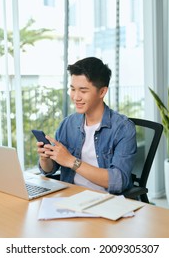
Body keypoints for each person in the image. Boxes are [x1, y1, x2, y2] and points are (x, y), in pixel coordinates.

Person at [37, 57, 137, 194]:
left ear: (102, 92)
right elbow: (50, 169)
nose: (76, 97)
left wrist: (72, 161)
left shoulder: (123, 128)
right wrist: (45, 158)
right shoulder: (68, 124)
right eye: (72, 89)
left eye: (83, 91)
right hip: (70, 195)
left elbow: (118, 181)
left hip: (106, 200)